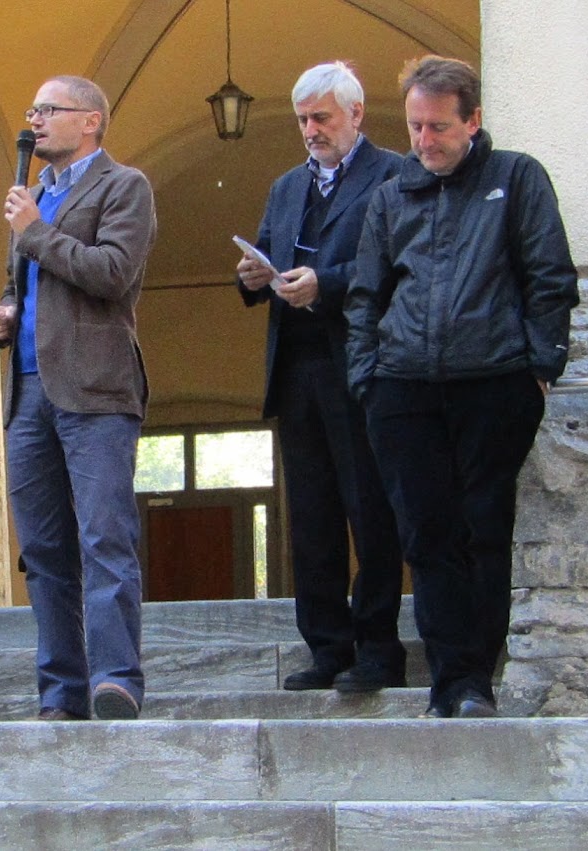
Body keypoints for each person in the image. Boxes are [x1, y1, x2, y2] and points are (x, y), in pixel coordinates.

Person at [345, 55, 579, 719]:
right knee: (426, 536)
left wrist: (540, 367)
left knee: (483, 530)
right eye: (415, 127)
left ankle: (477, 679)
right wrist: (366, 378)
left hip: (495, 383)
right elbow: (366, 293)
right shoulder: (391, 195)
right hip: (402, 389)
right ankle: (449, 681)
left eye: (439, 127)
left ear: (472, 120)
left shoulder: (517, 177)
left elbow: (549, 275)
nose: (424, 140)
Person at [0, 75, 156, 721]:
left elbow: (112, 272)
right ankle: (60, 690)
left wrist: (35, 233)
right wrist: (6, 312)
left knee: (104, 538)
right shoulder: (31, 197)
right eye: (32, 110)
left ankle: (116, 680)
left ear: (90, 120)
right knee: (43, 551)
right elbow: (22, 284)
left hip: (95, 389)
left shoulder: (123, 186)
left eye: (48, 110)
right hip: (28, 390)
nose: (34, 120)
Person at [234, 62, 408, 693]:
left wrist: (326, 284)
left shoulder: (393, 175)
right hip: (296, 369)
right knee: (310, 519)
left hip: (359, 365)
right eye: (302, 119)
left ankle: (379, 650)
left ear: (355, 114)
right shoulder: (286, 187)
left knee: (371, 513)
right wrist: (253, 277)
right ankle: (327, 649)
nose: (311, 130)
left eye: (321, 118)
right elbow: (266, 249)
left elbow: (397, 263)